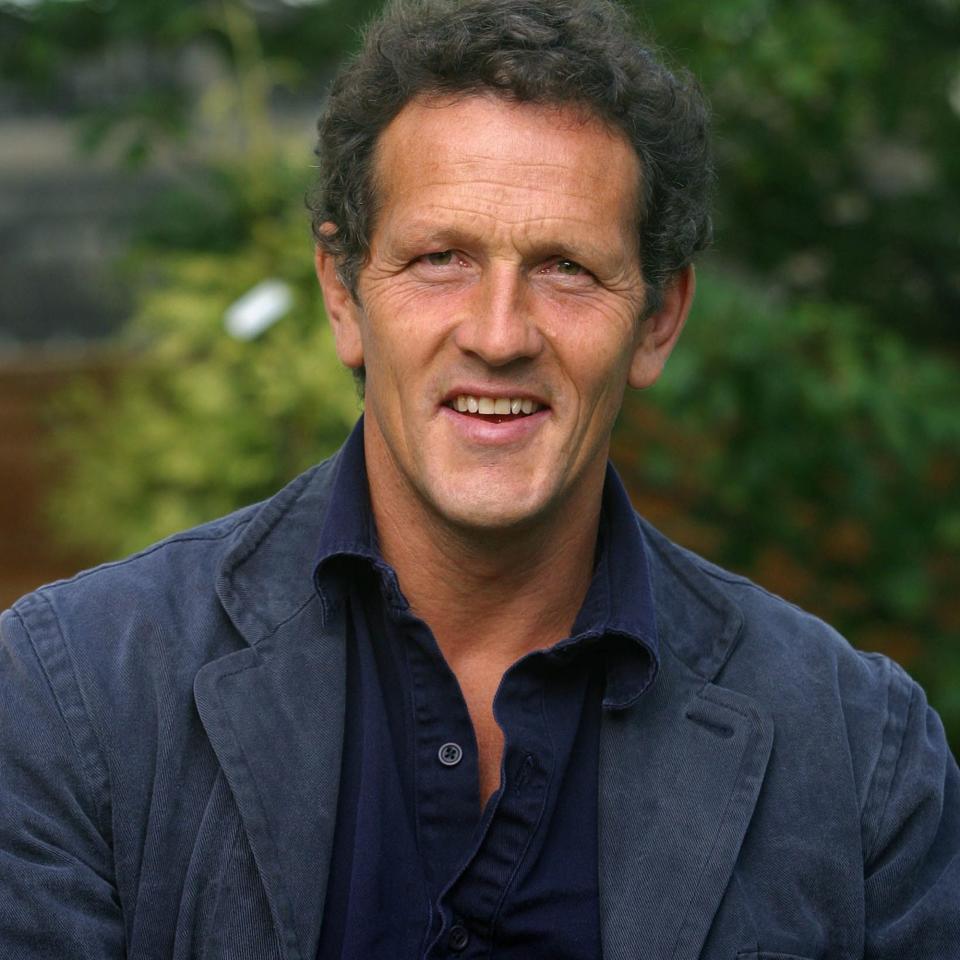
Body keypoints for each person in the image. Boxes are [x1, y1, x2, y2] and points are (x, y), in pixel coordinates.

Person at [2, 0, 958, 956]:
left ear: (659, 320)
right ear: (344, 295)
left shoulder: (860, 754)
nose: (499, 335)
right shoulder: (71, 700)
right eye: (441, 258)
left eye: (567, 268)